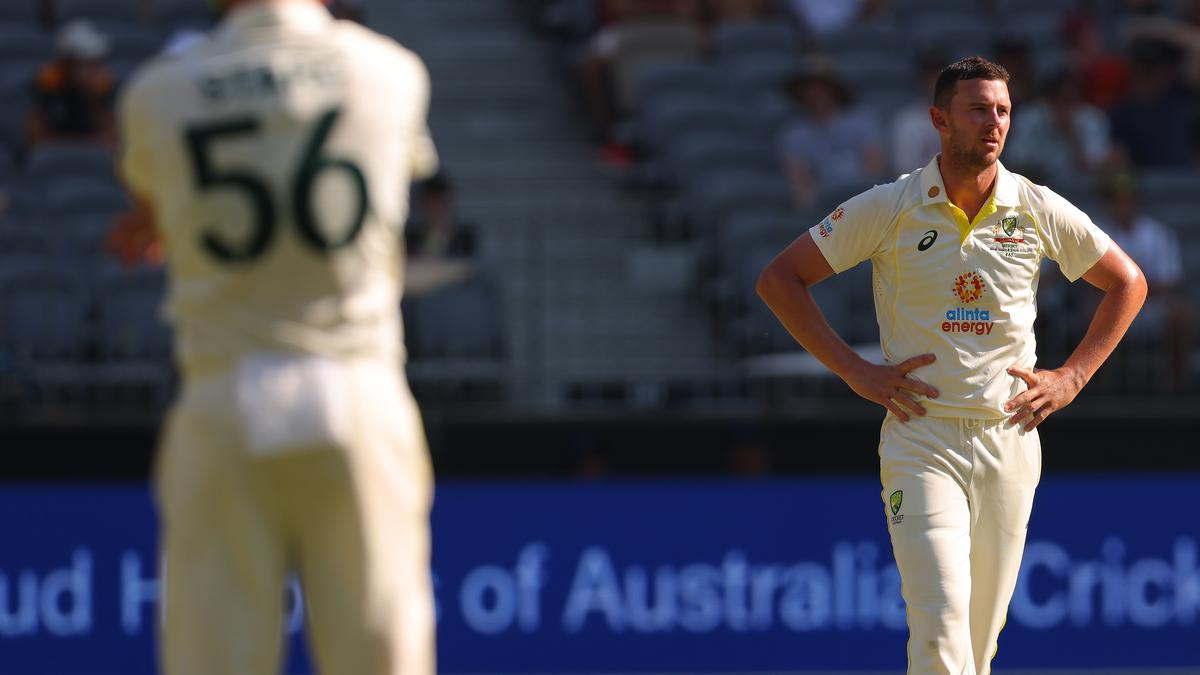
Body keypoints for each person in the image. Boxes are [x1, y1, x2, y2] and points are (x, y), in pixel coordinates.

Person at [756, 57, 1145, 674]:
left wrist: (1073, 376)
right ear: (939, 119)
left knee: (977, 651)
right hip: (922, 435)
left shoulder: (1035, 207)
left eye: (1003, 111)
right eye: (978, 109)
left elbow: (1128, 281)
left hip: (1009, 436)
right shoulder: (891, 206)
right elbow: (780, 279)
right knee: (940, 636)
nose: (994, 123)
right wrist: (855, 371)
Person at [110, 0, 439, 673]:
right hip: (356, 385)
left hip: (222, 397)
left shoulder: (157, 92)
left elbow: (152, 210)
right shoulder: (390, 72)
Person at [1097, 171, 1190, 389]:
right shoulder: (1099, 233)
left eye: (1127, 198)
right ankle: (1098, 388)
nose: (1122, 204)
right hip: (1112, 304)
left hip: (1152, 306)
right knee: (1090, 312)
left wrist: (1131, 287)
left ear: (1136, 200)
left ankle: (1177, 384)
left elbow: (1171, 281)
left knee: (1182, 317)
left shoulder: (1158, 233)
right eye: (1116, 198)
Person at [777, 64, 886, 208]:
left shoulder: (862, 119)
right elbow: (799, 179)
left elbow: (875, 163)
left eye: (822, 86)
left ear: (834, 88)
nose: (816, 92)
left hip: (865, 196)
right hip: (824, 203)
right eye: (809, 87)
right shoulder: (794, 133)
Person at [25, 19, 118, 149]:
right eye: (86, 64)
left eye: (97, 63)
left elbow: (110, 139)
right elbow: (36, 139)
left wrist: (94, 100)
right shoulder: (46, 86)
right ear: (68, 64)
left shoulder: (104, 87)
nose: (94, 70)